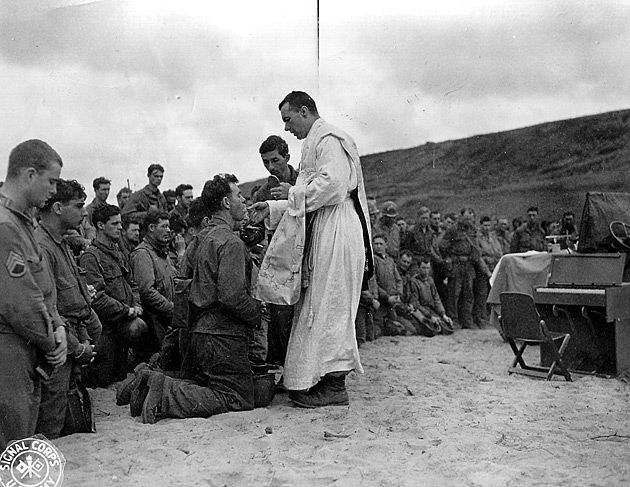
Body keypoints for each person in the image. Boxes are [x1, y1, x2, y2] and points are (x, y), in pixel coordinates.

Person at [251, 91, 371, 408]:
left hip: (338, 230)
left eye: (288, 120)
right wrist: (273, 208)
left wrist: (291, 194)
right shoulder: (312, 144)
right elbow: (303, 194)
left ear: (304, 111)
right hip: (324, 228)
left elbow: (332, 186)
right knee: (317, 304)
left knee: (332, 305)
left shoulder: (329, 139)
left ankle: (335, 386)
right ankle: (313, 379)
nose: (287, 128)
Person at [127, 174, 261, 424]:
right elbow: (232, 296)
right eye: (238, 195)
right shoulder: (230, 242)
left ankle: (153, 381)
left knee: (210, 384)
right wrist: (256, 312)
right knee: (236, 396)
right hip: (223, 335)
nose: (243, 200)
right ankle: (165, 392)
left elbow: (183, 287)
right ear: (225, 202)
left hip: (199, 331)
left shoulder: (200, 240)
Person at [0, 139, 67, 450]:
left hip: (31, 346)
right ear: (29, 175)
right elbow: (22, 304)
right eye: (50, 181)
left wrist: (59, 327)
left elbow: (43, 288)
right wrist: (53, 338)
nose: (54, 190)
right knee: (12, 443)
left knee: (22, 436)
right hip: (11, 347)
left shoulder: (24, 222)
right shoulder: (5, 227)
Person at [35, 179, 101, 439]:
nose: (84, 213)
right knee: (51, 422)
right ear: (58, 208)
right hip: (57, 348)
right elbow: (45, 311)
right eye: (79, 206)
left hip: (71, 341)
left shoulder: (59, 242)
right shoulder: (42, 247)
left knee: (67, 419)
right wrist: (78, 347)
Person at [79, 204, 146, 387]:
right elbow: (97, 298)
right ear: (100, 225)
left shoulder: (117, 252)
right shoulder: (91, 257)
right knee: (102, 383)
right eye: (115, 223)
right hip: (105, 330)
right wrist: (128, 310)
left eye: (120, 223)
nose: (120, 227)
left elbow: (131, 282)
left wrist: (137, 305)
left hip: (122, 328)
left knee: (121, 379)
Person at [252, 135, 298, 368]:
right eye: (266, 163)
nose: (271, 167)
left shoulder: (305, 182)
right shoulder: (262, 193)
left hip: (306, 257)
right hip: (279, 263)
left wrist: (294, 194)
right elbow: (256, 231)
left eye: (275, 160)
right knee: (280, 316)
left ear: (287, 157)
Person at [130, 208, 175, 357]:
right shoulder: (143, 255)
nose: (168, 230)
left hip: (166, 323)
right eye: (164, 226)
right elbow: (146, 292)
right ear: (151, 228)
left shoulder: (162, 254)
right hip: (155, 327)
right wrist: (172, 310)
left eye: (168, 226)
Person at [439, 207, 491, 329]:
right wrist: (449, 257)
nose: (469, 220)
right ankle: (454, 320)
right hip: (456, 265)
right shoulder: (453, 230)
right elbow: (443, 245)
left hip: (469, 266)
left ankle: (467, 321)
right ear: (460, 216)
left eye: (471, 218)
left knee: (468, 294)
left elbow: (476, 248)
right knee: (454, 295)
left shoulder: (472, 230)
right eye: (466, 217)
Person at [372, 235, 413, 336]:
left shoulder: (390, 261)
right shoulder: (373, 260)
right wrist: (387, 297)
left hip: (392, 303)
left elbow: (398, 280)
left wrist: (398, 294)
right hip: (381, 302)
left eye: (381, 244)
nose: (378, 246)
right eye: (376, 244)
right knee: (377, 331)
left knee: (409, 330)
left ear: (386, 246)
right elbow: (373, 283)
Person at [474, 216, 503, 328]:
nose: (486, 228)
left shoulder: (492, 237)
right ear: (480, 225)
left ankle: (492, 319)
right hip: (483, 270)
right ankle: (480, 319)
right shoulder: (477, 238)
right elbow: (479, 256)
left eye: (488, 225)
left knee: (494, 294)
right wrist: (486, 271)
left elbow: (498, 251)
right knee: (482, 294)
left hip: (494, 268)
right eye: (484, 225)